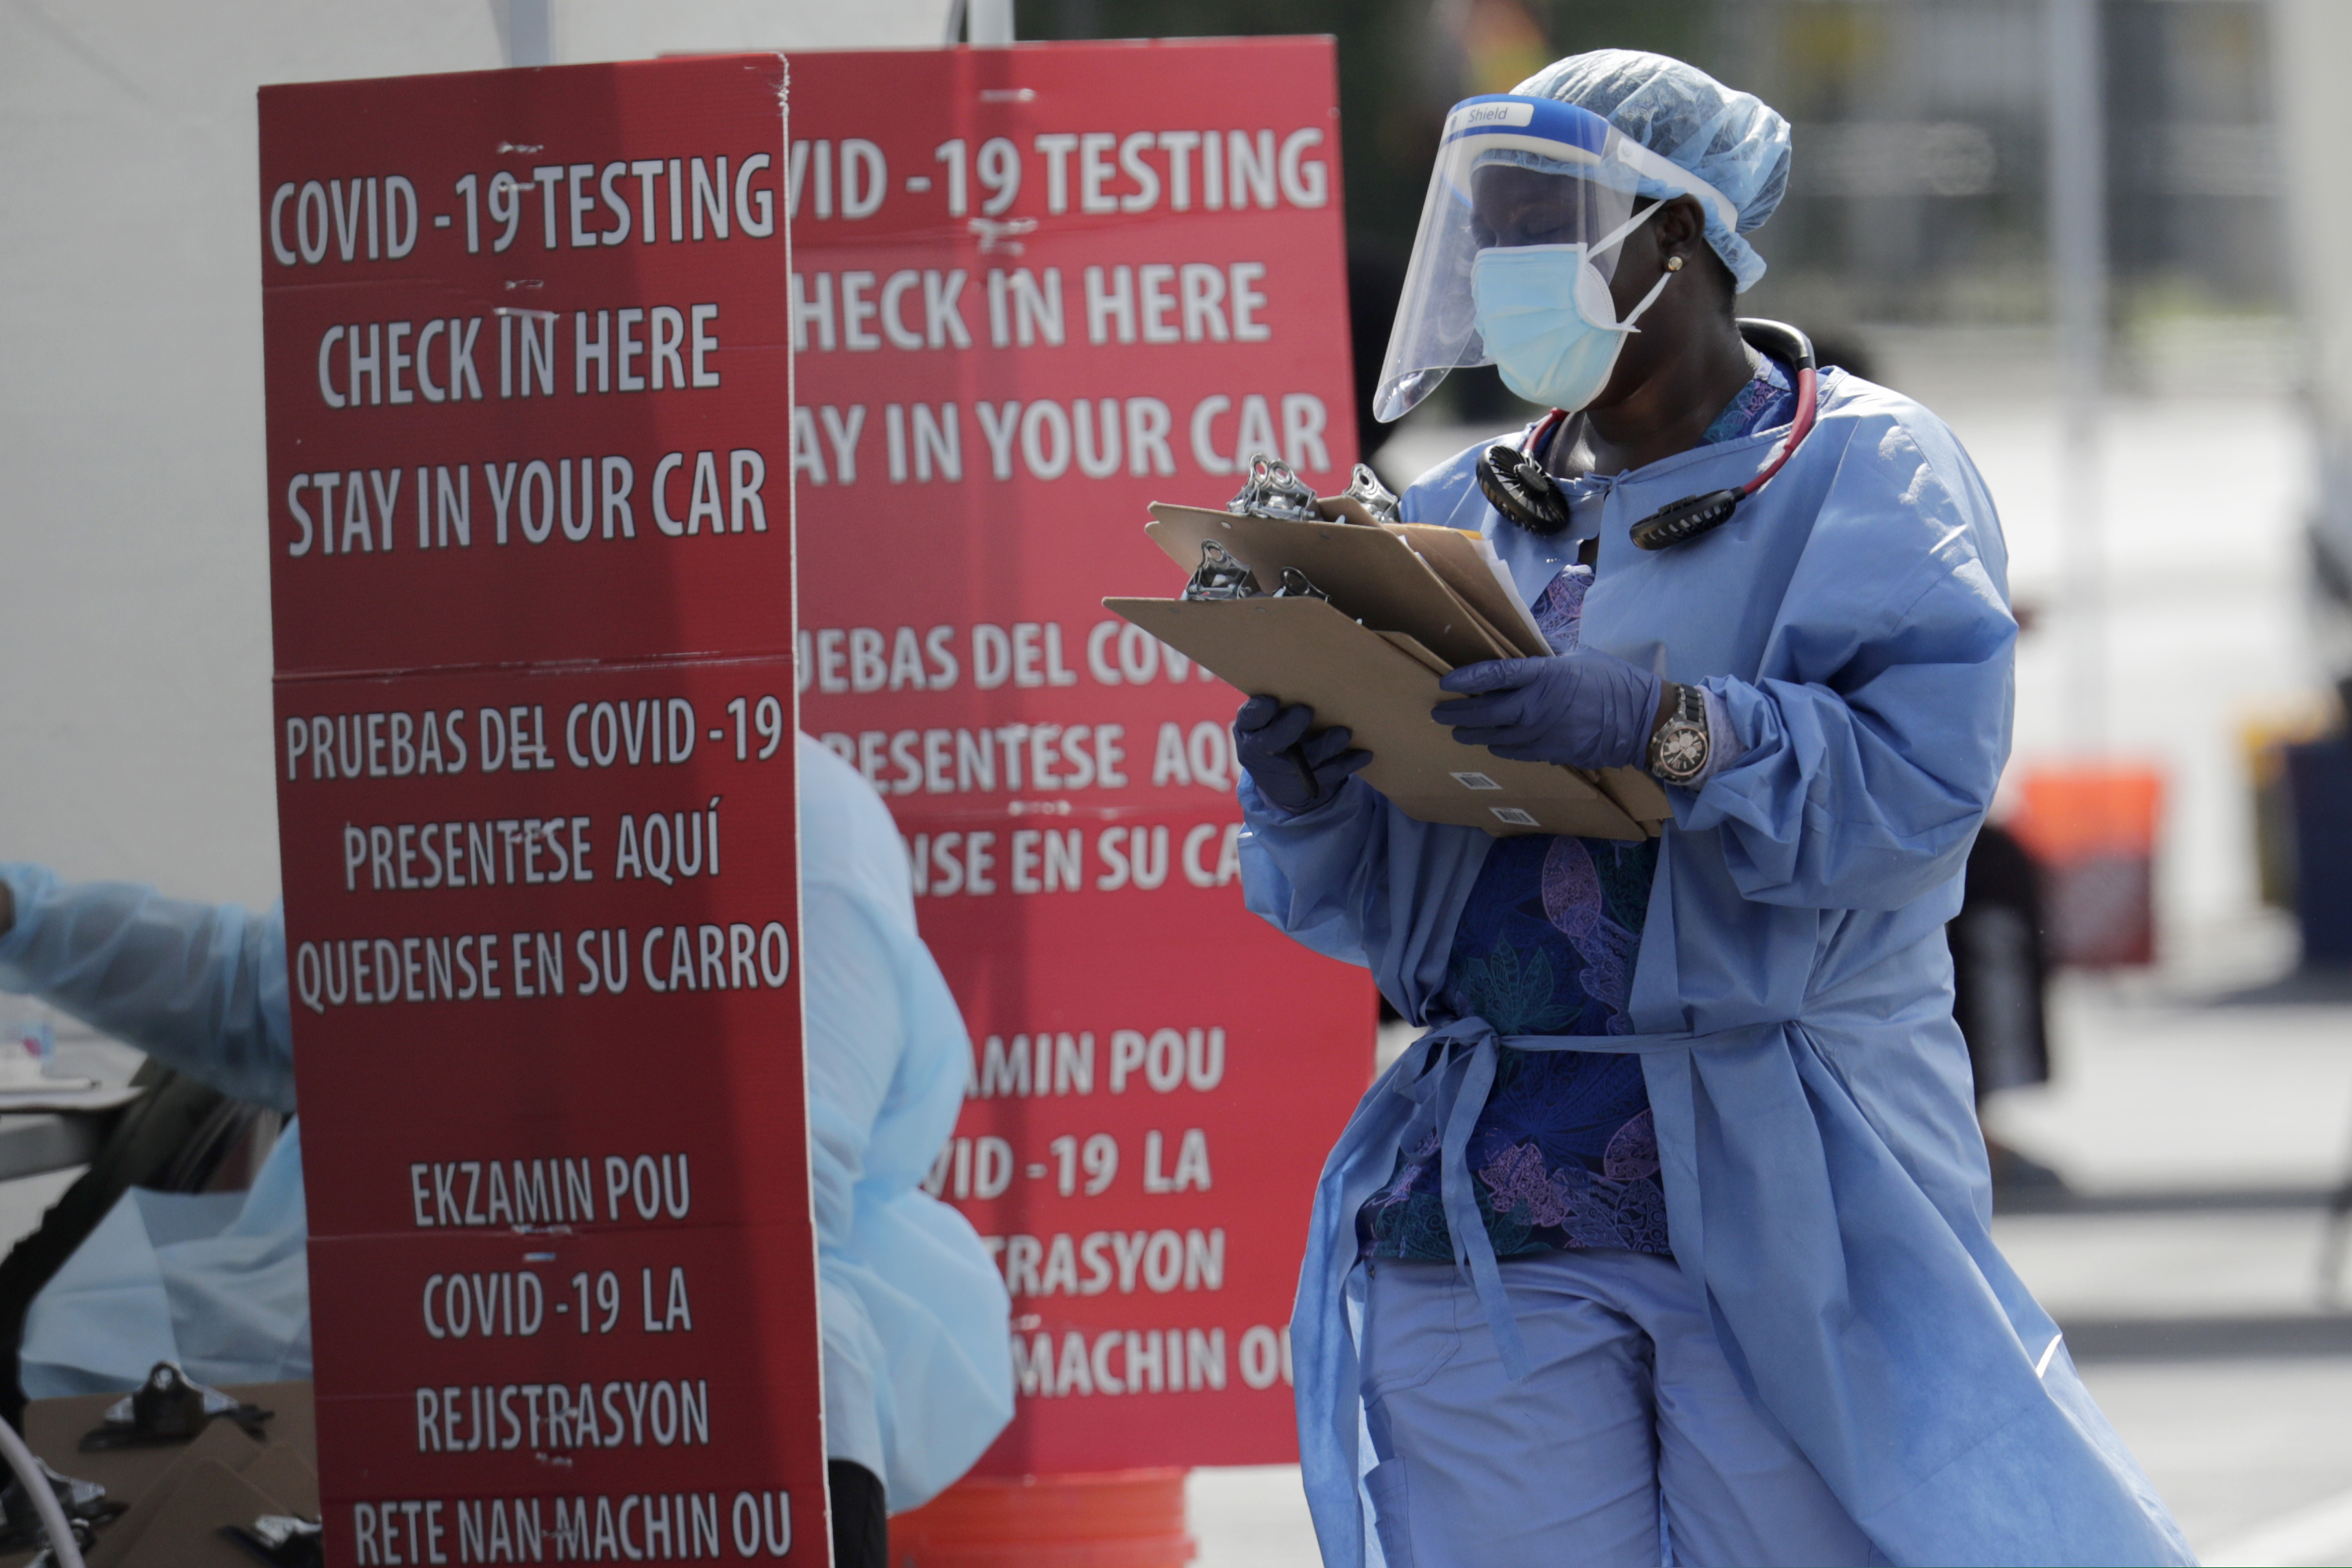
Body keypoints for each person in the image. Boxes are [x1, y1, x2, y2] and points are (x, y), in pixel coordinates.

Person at [1236, 49, 2188, 1567]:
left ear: (1676, 235)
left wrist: (1673, 728)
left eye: (1547, 221)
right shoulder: (1466, 508)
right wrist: (1307, 797)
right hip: (1496, 1192)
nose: (1505, 264)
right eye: (1491, 224)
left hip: (1778, 1179)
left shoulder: (1870, 475)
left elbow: (1918, 792)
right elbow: (1377, 893)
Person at [0, 734, 1009, 1567]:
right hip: (366, 1329)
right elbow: (269, 994)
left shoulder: (797, 826)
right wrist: (26, 919)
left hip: (640, 1362)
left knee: (800, 1336)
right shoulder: (464, 774)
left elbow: (770, 1222)